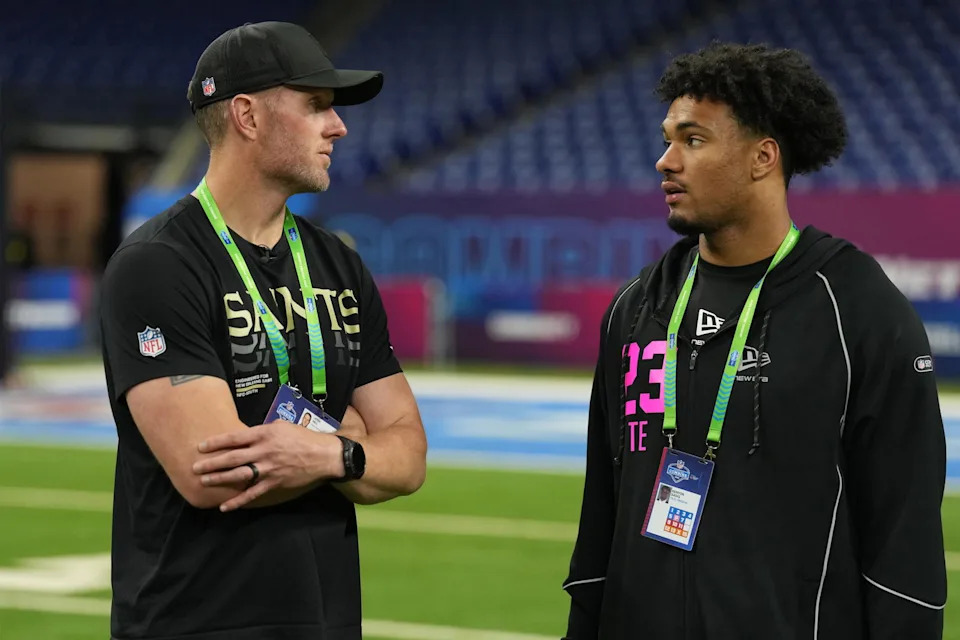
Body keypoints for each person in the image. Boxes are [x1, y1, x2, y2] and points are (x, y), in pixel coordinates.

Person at [562, 42, 946, 639]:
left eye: (692, 140)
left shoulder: (858, 310)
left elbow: (906, 535)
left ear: (763, 157)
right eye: (667, 138)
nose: (665, 161)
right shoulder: (637, 307)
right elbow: (601, 512)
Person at [100, 21, 427, 640]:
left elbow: (408, 455)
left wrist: (325, 451)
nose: (339, 127)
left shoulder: (339, 264)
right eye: (316, 106)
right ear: (247, 116)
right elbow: (210, 475)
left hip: (326, 619)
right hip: (192, 622)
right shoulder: (158, 264)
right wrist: (354, 443)